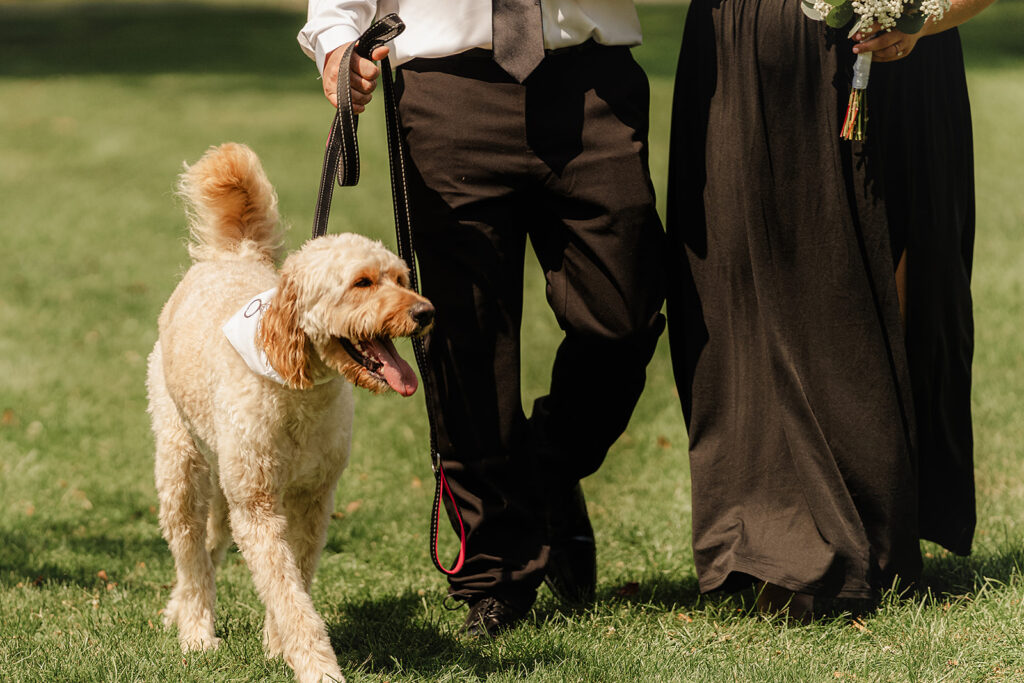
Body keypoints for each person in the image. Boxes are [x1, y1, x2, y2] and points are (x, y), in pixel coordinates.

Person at [299, 0, 666, 635]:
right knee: (464, 340)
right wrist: (337, 43)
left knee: (623, 314)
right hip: (447, 92)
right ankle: (495, 570)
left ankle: (548, 465)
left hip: (593, 80)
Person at [665, 0, 994, 616]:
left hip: (904, 56)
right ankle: (776, 538)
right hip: (750, 47)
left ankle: (879, 528)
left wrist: (925, 16)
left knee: (896, 263)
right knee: (751, 283)